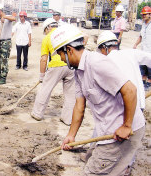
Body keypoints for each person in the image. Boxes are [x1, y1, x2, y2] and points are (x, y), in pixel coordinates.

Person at [51, 24, 145, 175]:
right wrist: (71, 135)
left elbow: (130, 90)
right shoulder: (78, 72)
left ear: (69, 50)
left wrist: (127, 126)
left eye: (60, 55)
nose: (61, 59)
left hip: (122, 132)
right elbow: (79, 106)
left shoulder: (97, 64)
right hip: (107, 129)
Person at [30, 18, 75, 125]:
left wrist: (42, 76)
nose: (45, 33)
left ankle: (37, 113)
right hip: (71, 65)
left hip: (56, 66)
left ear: (48, 27)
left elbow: (44, 59)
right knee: (70, 94)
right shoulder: (66, 33)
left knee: (45, 89)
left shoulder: (48, 38)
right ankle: (68, 119)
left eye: (45, 30)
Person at [97, 30, 151, 110]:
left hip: (123, 109)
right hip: (139, 104)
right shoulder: (131, 53)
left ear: (104, 48)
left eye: (101, 50)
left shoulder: (105, 62)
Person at [0, 3, 16, 85]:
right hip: (0, 42)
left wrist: (4, 17)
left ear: (0, 11)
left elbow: (14, 18)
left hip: (6, 42)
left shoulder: (8, 17)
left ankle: (3, 77)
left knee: (3, 60)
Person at [133, 6, 151, 90]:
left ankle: (149, 83)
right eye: (142, 15)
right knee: (143, 66)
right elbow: (141, 36)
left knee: (150, 68)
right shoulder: (143, 24)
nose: (143, 16)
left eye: (145, 14)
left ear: (149, 15)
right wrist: (136, 44)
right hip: (144, 50)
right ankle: (143, 82)